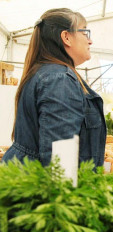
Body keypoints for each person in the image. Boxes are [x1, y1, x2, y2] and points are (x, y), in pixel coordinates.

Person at [2, 8, 106, 168]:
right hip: (36, 185)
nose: (90, 41)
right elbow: (60, 160)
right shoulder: (60, 79)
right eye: (85, 33)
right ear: (66, 37)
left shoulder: (48, 73)